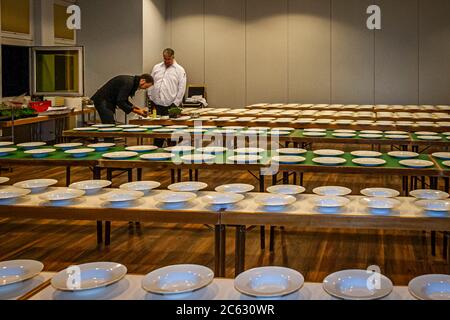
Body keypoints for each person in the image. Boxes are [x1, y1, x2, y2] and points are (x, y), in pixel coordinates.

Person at [148, 49, 186, 147]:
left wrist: (176, 103)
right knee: (157, 132)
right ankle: (156, 151)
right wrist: (150, 97)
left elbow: (182, 88)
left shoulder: (180, 70)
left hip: (171, 105)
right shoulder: (156, 67)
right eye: (165, 59)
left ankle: (171, 152)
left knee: (171, 133)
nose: (166, 61)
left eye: (168, 59)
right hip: (157, 104)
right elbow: (151, 82)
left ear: (173, 57)